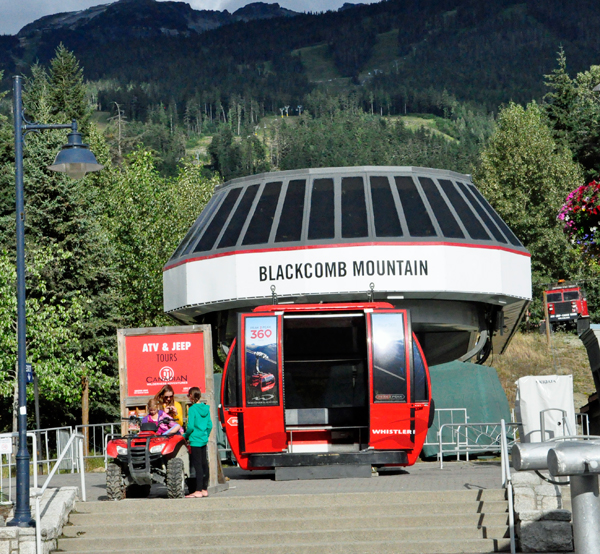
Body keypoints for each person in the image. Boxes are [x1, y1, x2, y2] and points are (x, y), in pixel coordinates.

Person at [184, 387, 212, 498]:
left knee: (198, 465)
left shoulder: (192, 409)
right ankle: (205, 489)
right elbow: (210, 425)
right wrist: (206, 435)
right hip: (203, 439)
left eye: (188, 395)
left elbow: (190, 426)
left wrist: (186, 435)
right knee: (205, 464)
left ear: (191, 395)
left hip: (195, 439)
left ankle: (198, 490)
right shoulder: (206, 408)